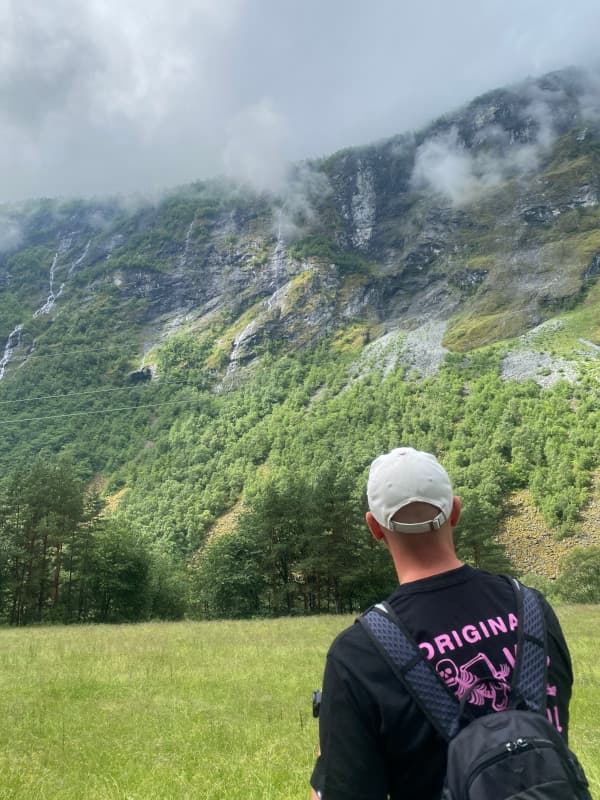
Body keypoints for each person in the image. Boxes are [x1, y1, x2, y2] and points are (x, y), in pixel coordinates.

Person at [310, 446, 573, 800]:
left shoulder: (359, 655)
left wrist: (330, 761)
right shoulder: (533, 609)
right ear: (455, 511)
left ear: (374, 527)